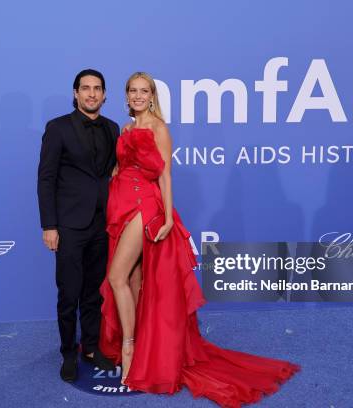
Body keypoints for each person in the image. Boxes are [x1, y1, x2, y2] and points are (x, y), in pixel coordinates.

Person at [99, 72, 300, 406]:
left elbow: (164, 175)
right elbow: (122, 168)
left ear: (152, 96)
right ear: (126, 96)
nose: (137, 96)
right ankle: (143, 345)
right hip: (120, 204)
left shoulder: (159, 129)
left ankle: (129, 346)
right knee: (134, 280)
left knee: (116, 277)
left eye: (143, 91)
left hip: (143, 206)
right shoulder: (126, 128)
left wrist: (165, 216)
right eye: (132, 91)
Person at [38, 69, 117, 382]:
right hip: (69, 225)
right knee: (68, 293)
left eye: (97, 89)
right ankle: (68, 353)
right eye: (86, 88)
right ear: (75, 93)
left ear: (105, 94)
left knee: (94, 293)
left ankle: (91, 348)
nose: (92, 94)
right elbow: (46, 178)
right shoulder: (57, 128)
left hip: (102, 223)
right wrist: (49, 225)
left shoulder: (113, 129)